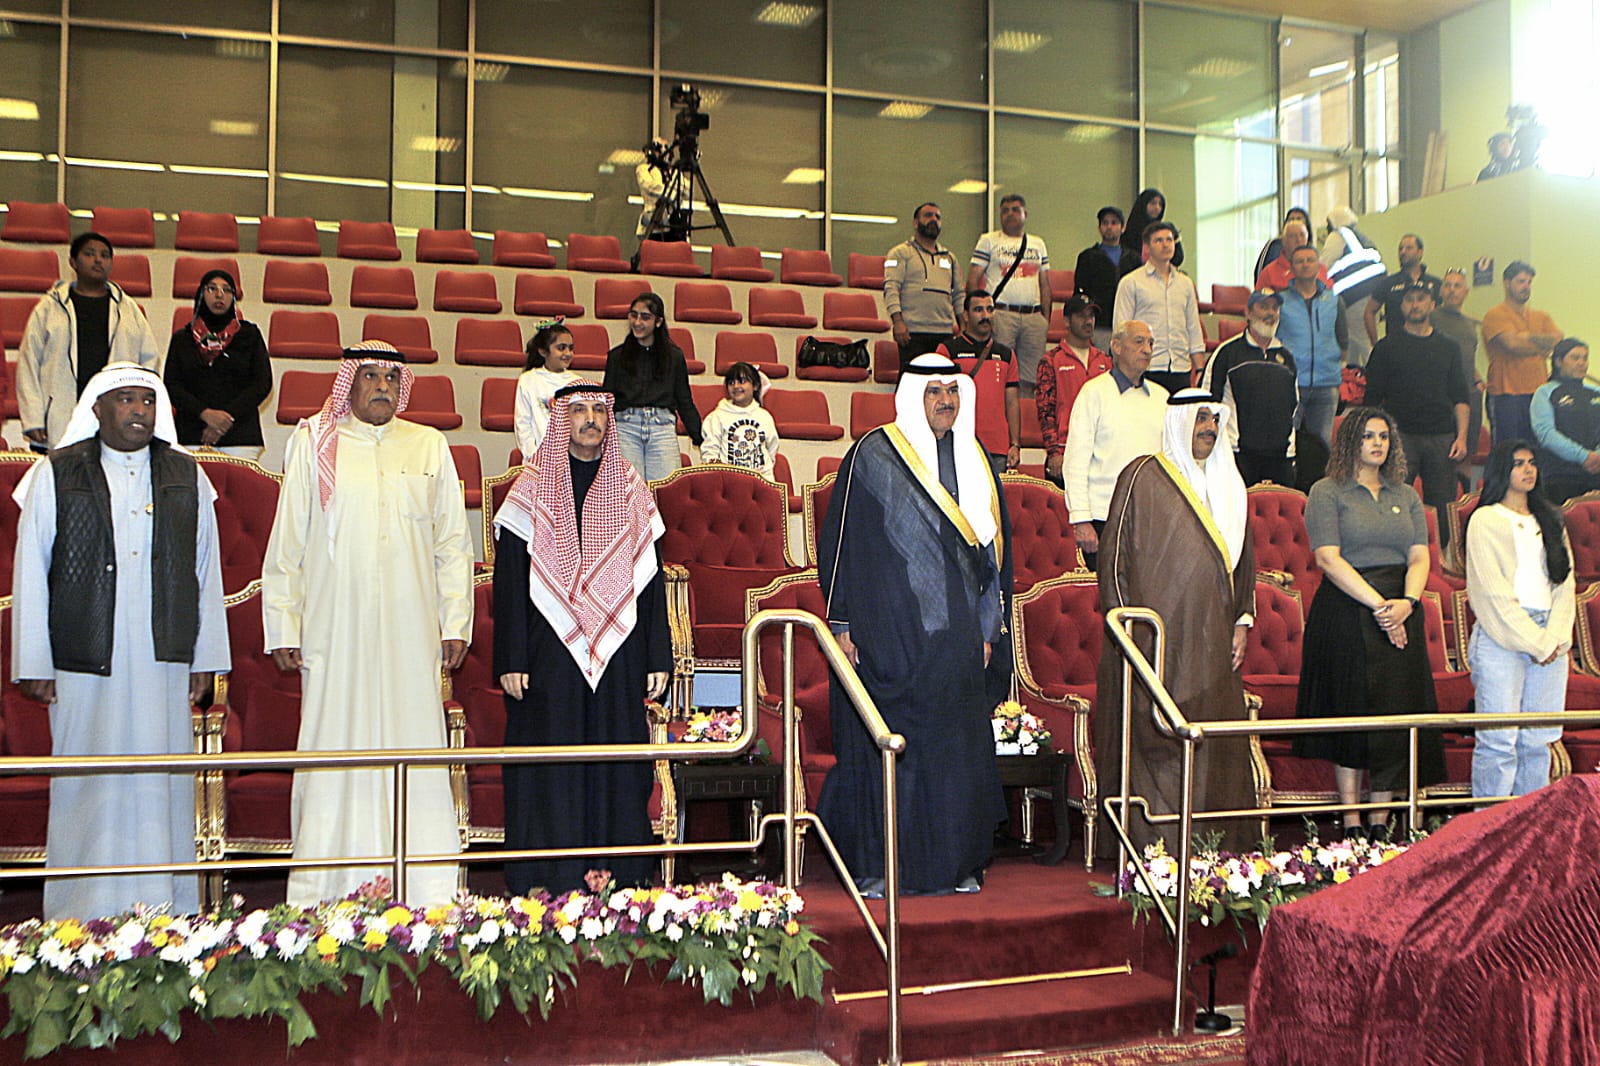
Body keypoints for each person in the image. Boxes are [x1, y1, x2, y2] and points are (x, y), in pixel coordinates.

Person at [11, 363, 229, 919]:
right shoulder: (56, 473)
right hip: (83, 658)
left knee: (161, 779)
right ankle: (79, 912)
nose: (139, 411)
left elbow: (206, 572)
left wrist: (205, 657)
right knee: (87, 779)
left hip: (163, 656)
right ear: (97, 409)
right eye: (126, 400)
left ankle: (167, 911)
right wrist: (35, 660)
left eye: (148, 401)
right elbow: (31, 571)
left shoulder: (186, 475)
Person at [263, 340, 474, 906]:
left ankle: (426, 888)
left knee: (416, 744)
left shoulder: (428, 445)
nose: (382, 385)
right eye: (370, 376)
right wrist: (283, 624)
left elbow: (453, 544)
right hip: (334, 628)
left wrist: (455, 621)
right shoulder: (314, 443)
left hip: (413, 628)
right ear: (348, 382)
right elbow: (288, 541)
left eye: (391, 377)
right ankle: (326, 888)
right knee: (335, 745)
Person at [817, 354, 1009, 898]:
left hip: (957, 637)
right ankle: (884, 866)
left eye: (953, 391)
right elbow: (842, 543)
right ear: (911, 396)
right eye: (934, 391)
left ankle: (954, 865)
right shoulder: (873, 455)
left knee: (954, 752)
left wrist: (988, 629)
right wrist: (843, 621)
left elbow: (994, 558)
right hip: (889, 633)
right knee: (892, 749)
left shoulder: (976, 459)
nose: (946, 401)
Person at [493, 383, 671, 896]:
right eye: (578, 410)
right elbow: (510, 581)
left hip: (619, 653)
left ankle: (621, 879)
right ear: (559, 420)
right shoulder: (531, 487)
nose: (590, 418)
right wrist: (511, 657)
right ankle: (550, 879)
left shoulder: (631, 487)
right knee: (553, 762)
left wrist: (657, 654)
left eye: (598, 409)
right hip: (547, 653)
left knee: (615, 761)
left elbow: (650, 579)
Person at [1095, 390, 1256, 856]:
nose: (1209, 428)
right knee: (1157, 741)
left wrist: (1242, 622)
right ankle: (1155, 853)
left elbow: (1243, 564)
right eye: (1200, 418)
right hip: (1154, 643)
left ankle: (1213, 849)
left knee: (1212, 742)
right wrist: (1128, 630)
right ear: (1179, 422)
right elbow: (1114, 561)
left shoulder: (1230, 484)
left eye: (1215, 419)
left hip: (1214, 641)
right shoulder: (1143, 476)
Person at [1293, 407, 1445, 839]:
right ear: (1350, 442)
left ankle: (1380, 822)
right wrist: (1381, 607)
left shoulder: (1405, 494)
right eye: (1367, 436)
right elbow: (1327, 558)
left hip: (1402, 605)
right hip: (1347, 608)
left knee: (1395, 714)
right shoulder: (1327, 491)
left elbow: (1419, 557)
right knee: (1353, 711)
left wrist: (1407, 604)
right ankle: (1351, 821)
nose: (1377, 444)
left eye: (1383, 436)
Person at [1464, 441, 1574, 799]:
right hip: (1502, 638)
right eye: (1518, 464)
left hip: (1552, 638)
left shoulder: (1551, 518)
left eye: (1532, 463)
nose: (1528, 470)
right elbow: (1492, 594)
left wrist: (1555, 638)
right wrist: (1537, 643)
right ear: (1501, 470)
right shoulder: (1485, 520)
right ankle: (1492, 825)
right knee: (1499, 741)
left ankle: (1531, 825)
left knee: (1538, 742)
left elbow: (1565, 583)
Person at [17, 231, 161, 451]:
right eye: (90, 254)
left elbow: (149, 363)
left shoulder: (128, 309)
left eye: (104, 255)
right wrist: (33, 418)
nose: (98, 260)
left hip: (114, 415)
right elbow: (29, 364)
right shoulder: (49, 308)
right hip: (61, 413)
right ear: (73, 262)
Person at [1362, 282, 1470, 547]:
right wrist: (1376, 440)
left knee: (1443, 507)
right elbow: (1371, 402)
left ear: (1432, 305)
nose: (1415, 304)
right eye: (1409, 299)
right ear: (1402, 306)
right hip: (1399, 437)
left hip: (1441, 437)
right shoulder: (1386, 347)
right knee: (1392, 501)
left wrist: (1462, 437)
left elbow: (1460, 396)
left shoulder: (1449, 347)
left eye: (1421, 299)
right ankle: (1391, 554)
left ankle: (1440, 558)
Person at [1064, 320, 1168, 570]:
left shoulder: (1162, 398)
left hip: (1150, 520)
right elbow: (1076, 462)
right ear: (1117, 347)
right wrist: (1081, 520)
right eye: (1139, 341)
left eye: (1151, 343)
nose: (1147, 350)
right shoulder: (1093, 393)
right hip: (1103, 517)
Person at [162, 269, 273, 460]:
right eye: (212, 288)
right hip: (192, 434)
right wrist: (205, 414)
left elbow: (262, 383)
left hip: (241, 436)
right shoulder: (182, 338)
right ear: (201, 294)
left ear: (233, 297)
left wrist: (226, 417)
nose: (219, 294)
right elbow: (172, 386)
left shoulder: (250, 335)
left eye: (226, 290)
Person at [1200, 288, 1298, 487]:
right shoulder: (1227, 353)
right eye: (1264, 307)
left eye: (1274, 308)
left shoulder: (1286, 357)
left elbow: (1293, 406)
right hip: (1238, 455)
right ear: (1248, 313)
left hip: (1281, 458)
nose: (1270, 313)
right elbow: (1208, 403)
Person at [601, 292, 702, 481]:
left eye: (645, 317)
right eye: (633, 315)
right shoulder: (616, 356)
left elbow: (684, 400)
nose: (637, 322)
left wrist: (699, 436)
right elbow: (608, 400)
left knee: (667, 489)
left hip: (662, 428)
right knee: (629, 490)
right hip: (626, 428)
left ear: (658, 322)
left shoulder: (674, 356)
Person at [967, 194, 1051, 397]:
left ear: (1025, 214)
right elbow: (973, 279)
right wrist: (975, 314)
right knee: (999, 373)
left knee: (1030, 379)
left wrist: (1045, 319)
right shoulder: (989, 240)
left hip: (1033, 317)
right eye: (1005, 211)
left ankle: (1024, 415)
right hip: (1002, 314)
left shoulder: (1038, 243)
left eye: (1015, 210)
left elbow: (1045, 284)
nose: (1010, 214)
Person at [1112, 221, 1205, 396]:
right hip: (1146, 367)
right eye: (1159, 240)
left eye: (1169, 240)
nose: (1165, 245)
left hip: (1180, 367)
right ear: (1147, 247)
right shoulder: (1131, 282)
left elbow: (1193, 328)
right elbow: (1121, 329)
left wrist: (1200, 368)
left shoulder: (1185, 284)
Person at [937, 290, 1021, 473]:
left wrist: (1015, 443)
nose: (985, 316)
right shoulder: (948, 350)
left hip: (997, 447)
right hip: (958, 443)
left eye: (990, 310)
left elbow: (1012, 403)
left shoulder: (1007, 355)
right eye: (978, 310)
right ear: (966, 316)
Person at [1482, 260, 1562, 449]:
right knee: (1508, 451)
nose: (1526, 286)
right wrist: (1540, 345)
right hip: (1506, 396)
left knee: (1537, 450)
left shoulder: (1541, 316)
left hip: (1538, 394)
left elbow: (1558, 341)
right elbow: (1512, 344)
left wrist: (1526, 337)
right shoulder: (1495, 315)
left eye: (1529, 282)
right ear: (1506, 283)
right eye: (1520, 281)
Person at [1036, 293, 1112, 485]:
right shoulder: (1051, 360)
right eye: (1081, 316)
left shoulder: (1105, 361)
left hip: (1099, 453)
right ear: (1067, 321)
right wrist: (1054, 452)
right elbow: (1045, 411)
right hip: (1065, 451)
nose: (1088, 321)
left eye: (1091, 316)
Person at [1277, 245, 1347, 450]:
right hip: (1291, 383)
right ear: (1292, 267)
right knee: (1286, 442)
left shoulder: (1334, 300)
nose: (1305, 265)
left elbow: (1343, 341)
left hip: (1327, 383)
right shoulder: (1280, 301)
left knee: (1322, 446)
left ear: (1319, 266)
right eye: (1300, 261)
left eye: (1310, 260)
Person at [885, 201, 964, 369]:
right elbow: (891, 288)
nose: (934, 219)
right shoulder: (899, 253)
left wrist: (963, 326)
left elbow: (958, 295)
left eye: (938, 217)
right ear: (915, 223)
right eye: (928, 215)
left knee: (942, 380)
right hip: (912, 333)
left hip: (944, 333)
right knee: (913, 380)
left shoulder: (950, 258)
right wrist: (897, 322)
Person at [1431, 268, 1485, 486]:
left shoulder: (1470, 324)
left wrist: (1478, 380)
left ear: (1466, 292)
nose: (1452, 290)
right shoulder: (1431, 318)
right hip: (1442, 397)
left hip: (1470, 396)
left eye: (1457, 286)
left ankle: (1465, 503)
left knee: (1466, 458)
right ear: (1441, 291)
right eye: (1448, 285)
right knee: (1443, 457)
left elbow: (1468, 355)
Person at [1530, 338, 1600, 505]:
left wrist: (1597, 456)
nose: (1582, 363)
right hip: (1561, 474)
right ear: (1559, 361)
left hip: (1596, 470)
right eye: (1575, 358)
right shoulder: (1544, 392)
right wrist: (1583, 456)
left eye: (1585, 358)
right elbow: (1545, 433)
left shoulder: (1596, 392)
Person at [1320, 206, 1385, 368]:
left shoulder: (1337, 236)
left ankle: (1373, 374)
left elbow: (1322, 266)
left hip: (1354, 298)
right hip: (1373, 296)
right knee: (1359, 341)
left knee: (1362, 342)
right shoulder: (1362, 238)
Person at [514, 319, 586, 457]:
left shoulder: (578, 382)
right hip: (538, 459)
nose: (567, 353)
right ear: (543, 351)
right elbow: (523, 424)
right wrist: (534, 457)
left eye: (570, 348)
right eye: (561, 348)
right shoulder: (528, 380)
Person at [1073, 206, 1139, 350]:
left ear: (1123, 228)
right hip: (1100, 325)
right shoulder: (1088, 257)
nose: (1109, 227)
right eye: (1105, 223)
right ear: (1099, 227)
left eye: (1114, 223)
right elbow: (1080, 293)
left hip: (1128, 324)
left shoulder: (1134, 259)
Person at [699, 360, 779, 479]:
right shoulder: (716, 417)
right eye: (731, 383)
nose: (736, 386)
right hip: (729, 482)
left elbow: (772, 449)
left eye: (742, 381)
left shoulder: (765, 417)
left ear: (755, 386)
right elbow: (710, 452)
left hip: (762, 481)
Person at [1364, 233, 1441, 348]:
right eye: (1400, 249)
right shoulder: (1388, 283)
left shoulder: (1434, 283)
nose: (1403, 252)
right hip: (1395, 347)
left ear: (1420, 252)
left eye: (1409, 248)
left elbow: (1444, 314)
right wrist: (1376, 344)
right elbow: (1369, 312)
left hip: (1428, 347)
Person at [1254, 218, 1329, 293]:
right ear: (1284, 241)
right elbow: (1258, 298)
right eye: (1292, 236)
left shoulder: (1320, 269)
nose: (1299, 240)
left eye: (1302, 235)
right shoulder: (1269, 273)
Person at [1121, 187, 1186, 268]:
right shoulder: (1130, 230)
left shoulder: (1166, 231)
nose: (1157, 207)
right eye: (1153, 203)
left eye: (1160, 204)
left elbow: (1178, 258)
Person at [1253, 206, 1311, 282]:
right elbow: (1262, 275)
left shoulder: (1314, 260)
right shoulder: (1275, 246)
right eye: (1291, 219)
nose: (1294, 222)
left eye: (1298, 219)